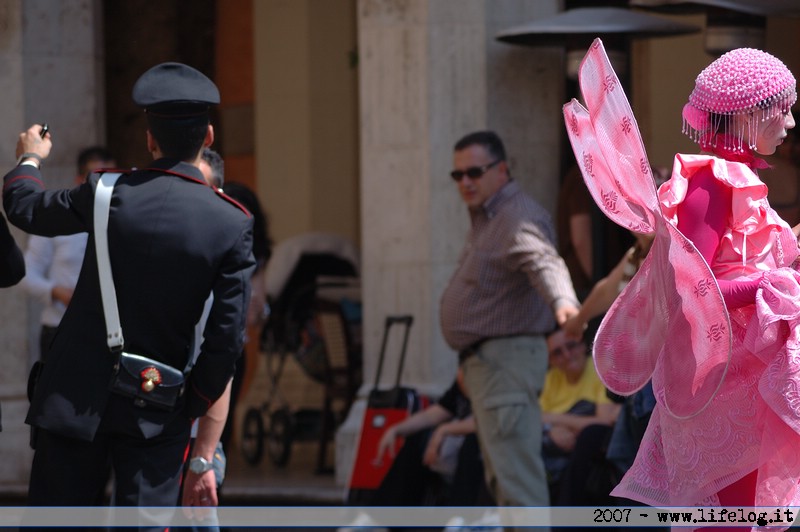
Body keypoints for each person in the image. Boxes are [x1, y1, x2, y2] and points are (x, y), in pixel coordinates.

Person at [4, 62, 255, 520]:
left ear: (149, 139)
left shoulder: (105, 192)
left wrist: (30, 157)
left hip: (74, 399)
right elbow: (227, 337)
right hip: (157, 405)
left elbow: (23, 208)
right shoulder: (231, 222)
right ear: (209, 137)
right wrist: (191, 401)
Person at [566, 43, 800, 514]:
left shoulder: (729, 178)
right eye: (782, 109)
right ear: (747, 115)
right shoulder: (711, 181)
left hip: (745, 384)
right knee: (728, 520)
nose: (790, 123)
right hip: (723, 390)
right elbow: (687, 291)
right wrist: (769, 285)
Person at [439, 130, 580, 519]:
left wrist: (564, 304)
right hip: (491, 366)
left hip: (506, 365)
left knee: (519, 489)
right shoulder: (490, 216)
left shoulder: (517, 215)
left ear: (501, 170)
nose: (465, 182)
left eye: (474, 172)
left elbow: (544, 261)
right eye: (457, 175)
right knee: (505, 485)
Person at [22, 146, 116, 361]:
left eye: (110, 178)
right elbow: (26, 272)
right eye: (97, 178)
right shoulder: (57, 217)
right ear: (80, 180)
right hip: (60, 326)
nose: (104, 186)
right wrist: (56, 292)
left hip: (108, 331)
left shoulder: (124, 219)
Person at [369, 369, 488, 507]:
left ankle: (461, 519)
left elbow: (488, 422)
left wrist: (443, 430)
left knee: (473, 442)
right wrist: (395, 429)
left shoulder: (493, 384)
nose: (459, 373)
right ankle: (384, 515)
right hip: (452, 453)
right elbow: (432, 414)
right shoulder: (460, 387)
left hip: (482, 455)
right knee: (417, 438)